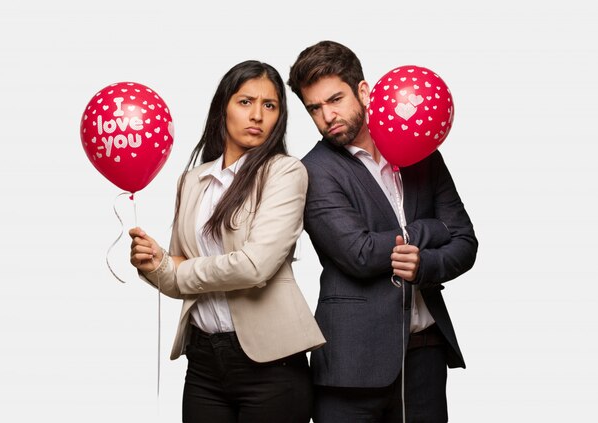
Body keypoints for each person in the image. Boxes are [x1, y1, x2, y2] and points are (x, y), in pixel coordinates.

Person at [287, 40, 478, 422]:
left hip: (424, 353)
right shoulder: (314, 170)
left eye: (335, 99)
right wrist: (429, 230)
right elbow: (360, 253)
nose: (327, 116)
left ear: (363, 91)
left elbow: (465, 242)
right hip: (352, 364)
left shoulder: (421, 152)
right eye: (315, 109)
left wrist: (423, 265)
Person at [129, 60, 326, 423]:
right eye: (245, 101)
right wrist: (153, 263)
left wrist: (179, 267)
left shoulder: (285, 172)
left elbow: (255, 267)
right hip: (203, 363)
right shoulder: (192, 180)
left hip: (271, 365)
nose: (257, 115)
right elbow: (175, 278)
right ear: (223, 108)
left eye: (270, 105)